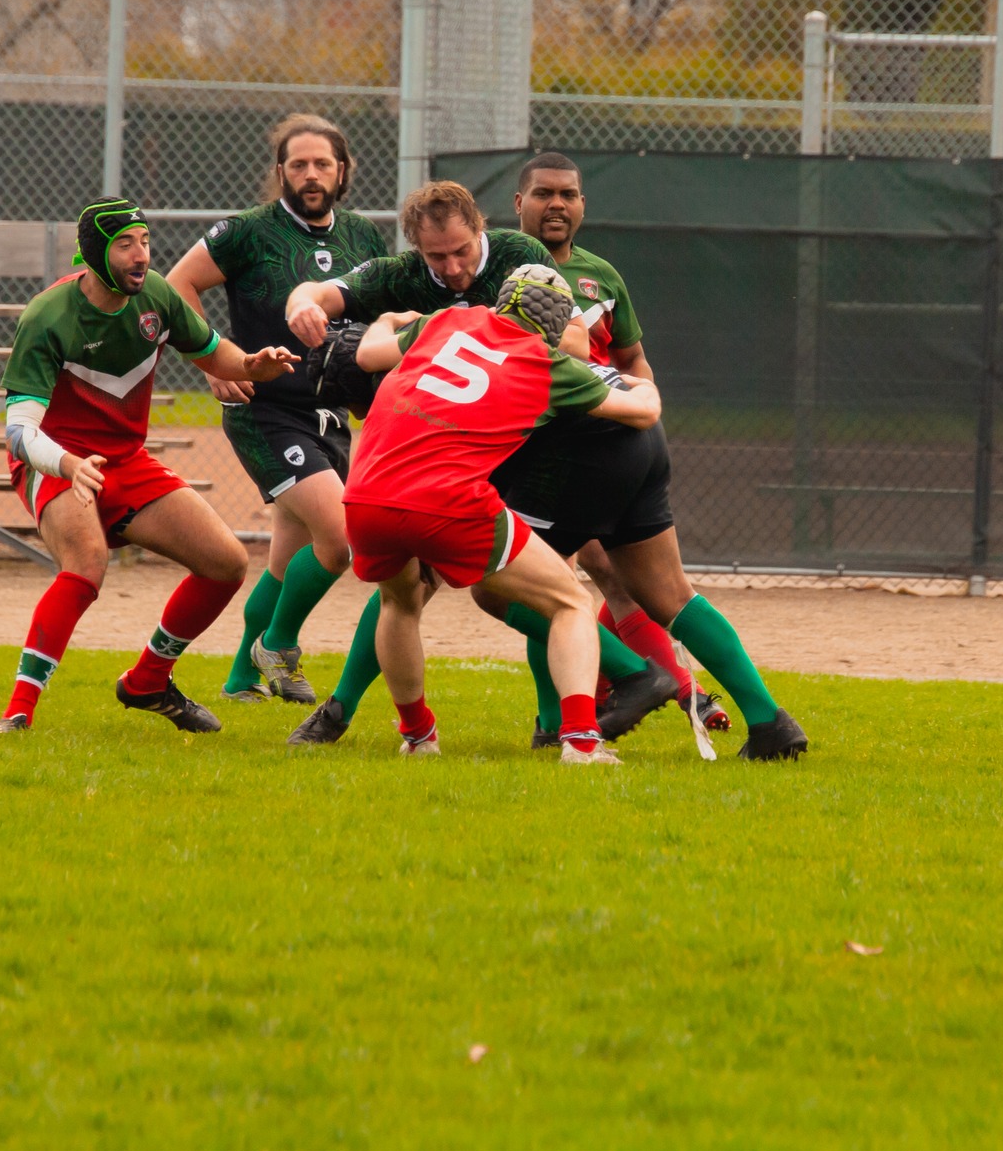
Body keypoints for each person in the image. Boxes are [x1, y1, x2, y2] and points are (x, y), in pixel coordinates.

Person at [283, 180, 679, 747]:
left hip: (402, 474)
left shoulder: (480, 291)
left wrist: (402, 323)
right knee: (558, 594)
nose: (451, 266)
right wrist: (302, 303)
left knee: (407, 595)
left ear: (482, 232)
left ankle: (410, 730)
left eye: (461, 251)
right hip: (458, 474)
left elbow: (372, 354)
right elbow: (631, 406)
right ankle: (592, 720)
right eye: (435, 256)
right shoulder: (440, 299)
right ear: (415, 248)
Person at [481, 152, 808, 761]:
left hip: (579, 448)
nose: (557, 204)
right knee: (663, 594)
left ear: (583, 205)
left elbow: (632, 360)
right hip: (616, 444)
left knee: (510, 586)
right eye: (544, 193)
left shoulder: (599, 274)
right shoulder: (497, 262)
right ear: (518, 204)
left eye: (569, 195)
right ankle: (770, 724)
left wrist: (641, 402)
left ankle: (629, 683)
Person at [0, 197, 297, 734]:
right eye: (126, 245)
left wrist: (252, 364)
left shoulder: (155, 294)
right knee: (86, 564)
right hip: (57, 459)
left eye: (146, 242)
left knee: (226, 562)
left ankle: (148, 681)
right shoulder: (48, 316)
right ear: (94, 254)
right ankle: (18, 710)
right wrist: (64, 464)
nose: (141, 256)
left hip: (125, 460)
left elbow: (211, 352)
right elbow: (20, 433)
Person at [341, 266, 662, 763]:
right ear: (555, 326)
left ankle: (419, 736)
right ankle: (579, 740)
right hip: (446, 500)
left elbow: (368, 352)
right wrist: (642, 384)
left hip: (365, 492)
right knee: (570, 603)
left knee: (398, 605)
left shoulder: (445, 321)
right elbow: (641, 413)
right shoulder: (547, 361)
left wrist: (386, 318)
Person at [164, 114, 390, 706]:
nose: (310, 175)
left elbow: (378, 314)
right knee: (339, 541)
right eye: (298, 165)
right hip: (265, 411)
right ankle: (278, 646)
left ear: (344, 171)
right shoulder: (247, 232)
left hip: (330, 416)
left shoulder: (365, 237)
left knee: (289, 561)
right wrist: (216, 362)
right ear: (280, 173)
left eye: (322, 164)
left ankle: (242, 677)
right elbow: (174, 287)